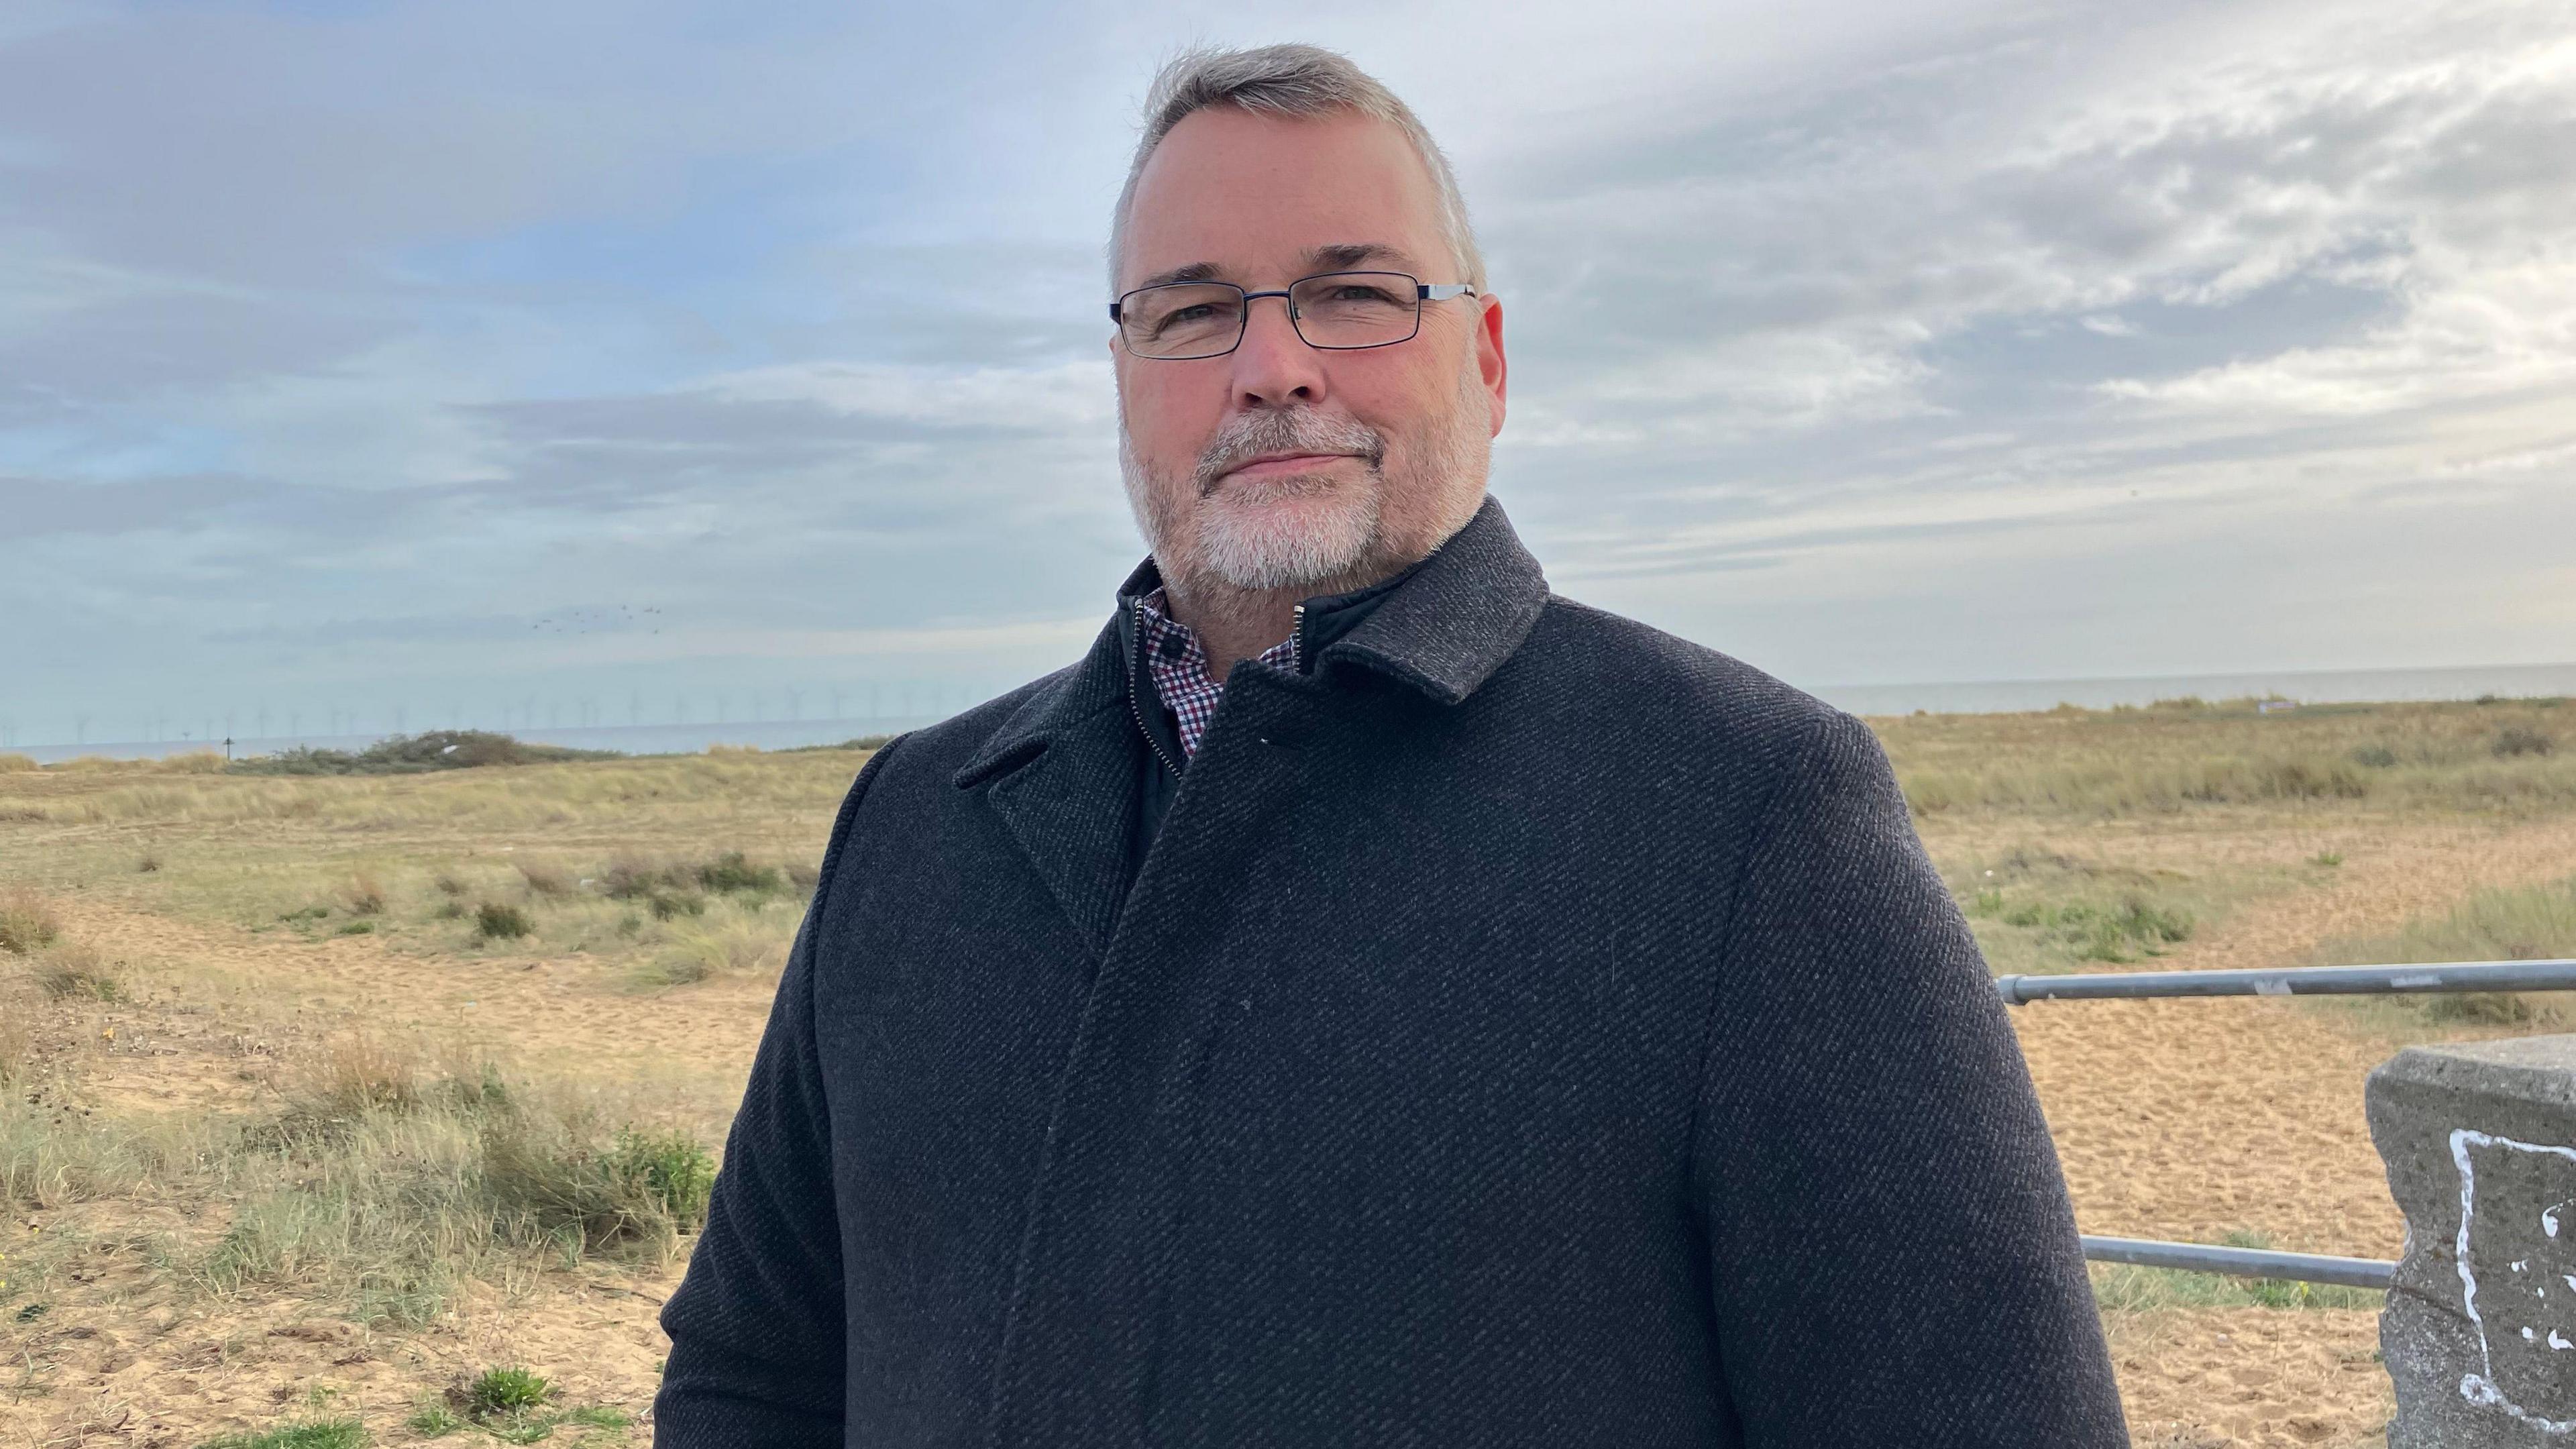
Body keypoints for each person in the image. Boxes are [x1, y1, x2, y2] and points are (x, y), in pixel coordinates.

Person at [653, 42, 2128, 1448]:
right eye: (1190, 309)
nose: (1273, 365)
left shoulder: (1747, 814)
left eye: (1355, 294)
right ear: (1124, 376)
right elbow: (754, 1374)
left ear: (1486, 359)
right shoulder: (922, 817)